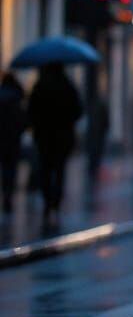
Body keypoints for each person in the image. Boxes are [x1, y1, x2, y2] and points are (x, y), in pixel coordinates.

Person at [26, 63, 83, 224]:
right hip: (62, 137)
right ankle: (55, 204)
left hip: (44, 137)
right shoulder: (68, 87)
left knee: (46, 168)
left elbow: (31, 111)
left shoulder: (40, 87)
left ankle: (47, 202)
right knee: (59, 171)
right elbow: (78, 110)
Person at [0, 72, 26, 213]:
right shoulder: (17, 98)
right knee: (11, 166)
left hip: (2, 138)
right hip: (14, 138)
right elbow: (23, 119)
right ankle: (8, 193)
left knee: (5, 166)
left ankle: (6, 192)